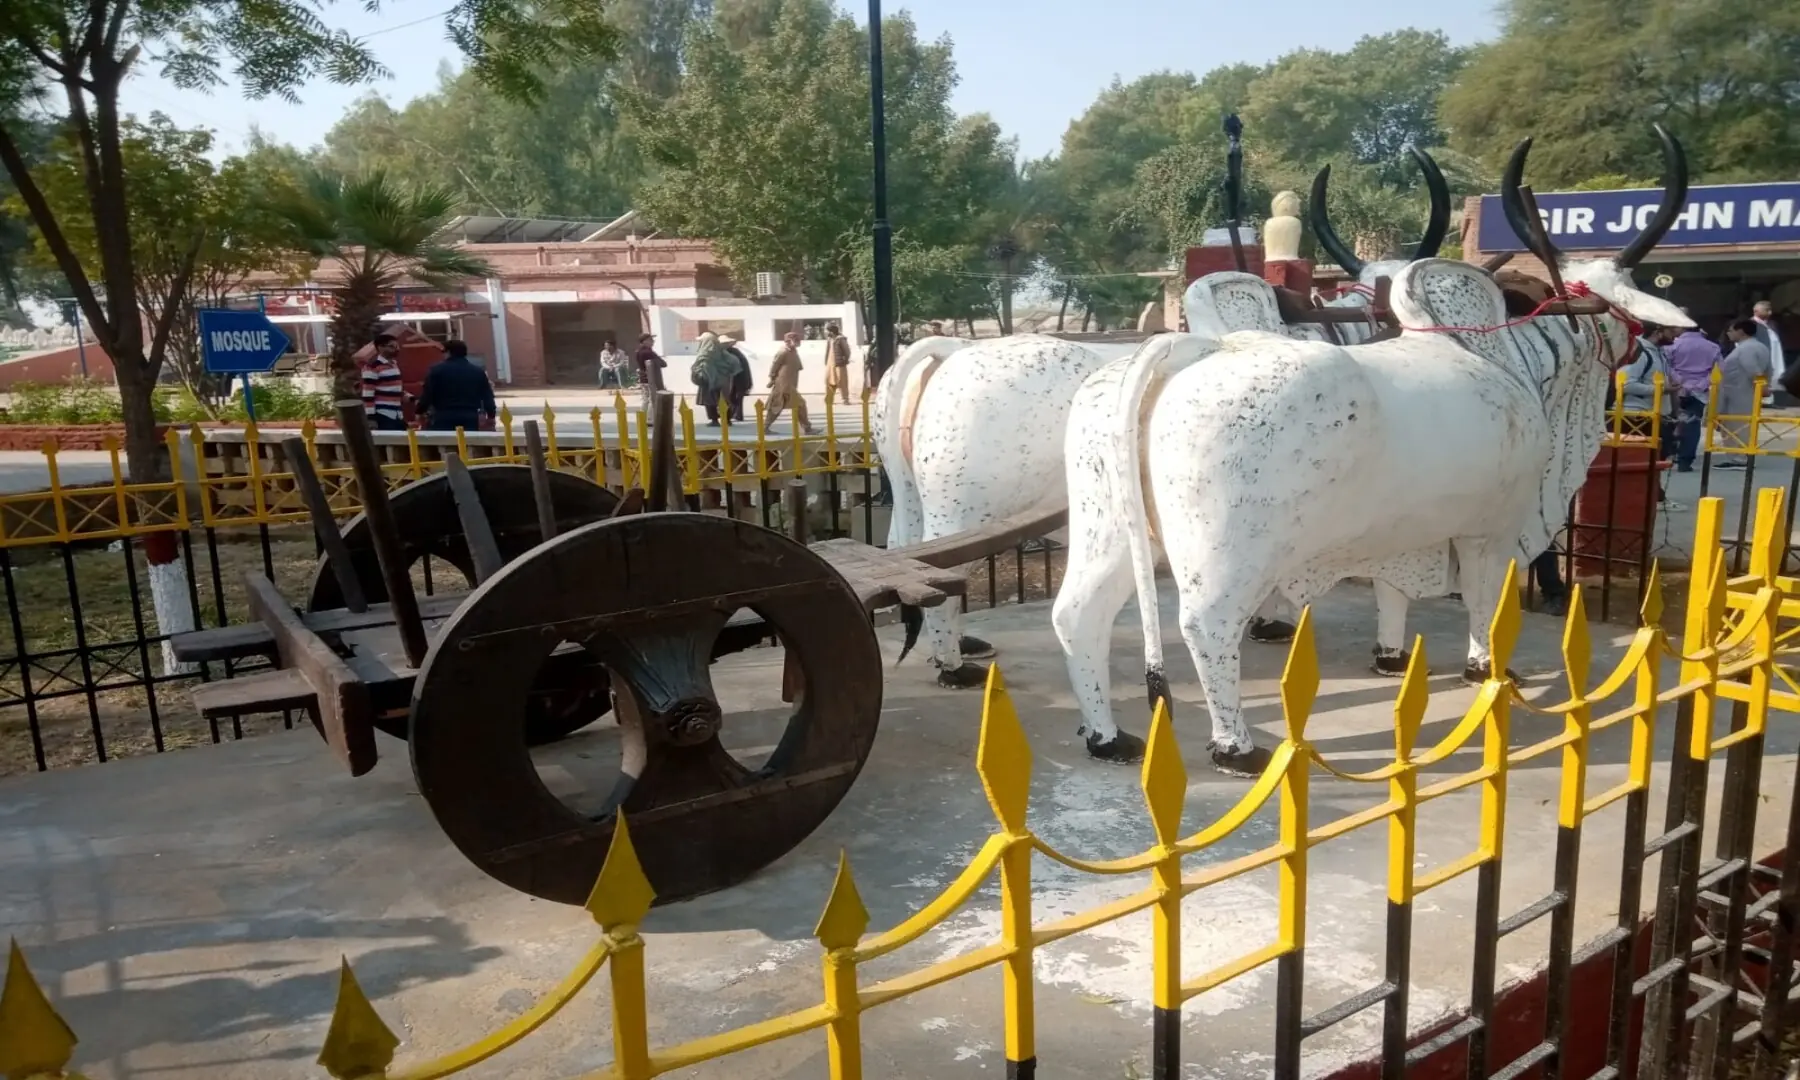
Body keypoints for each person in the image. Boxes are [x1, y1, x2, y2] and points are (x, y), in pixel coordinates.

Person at [1715, 319, 1773, 469]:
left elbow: (1753, 369)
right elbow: (1768, 369)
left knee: (1736, 425)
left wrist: (1762, 386)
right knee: (1741, 425)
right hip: (1744, 392)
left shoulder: (1746, 349)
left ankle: (1738, 458)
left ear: (1741, 331)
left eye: (1731, 330)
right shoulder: (1761, 347)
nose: (1729, 333)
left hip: (1739, 392)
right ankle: (1739, 456)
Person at [1664, 322, 1721, 472]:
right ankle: (1685, 460)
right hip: (1699, 391)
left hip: (1675, 389)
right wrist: (1702, 383)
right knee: (1692, 425)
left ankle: (1666, 455)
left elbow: (1666, 367)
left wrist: (1680, 381)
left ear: (1683, 328)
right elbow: (1719, 370)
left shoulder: (1673, 346)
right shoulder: (1713, 347)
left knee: (1670, 421)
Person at [416, 339, 497, 432]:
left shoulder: (436, 371)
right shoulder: (478, 372)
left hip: (443, 416)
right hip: (470, 416)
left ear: (449, 352)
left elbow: (427, 394)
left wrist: (420, 411)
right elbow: (487, 396)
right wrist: (491, 415)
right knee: (467, 443)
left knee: (446, 444)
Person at [765, 331, 816, 433]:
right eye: (795, 340)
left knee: (778, 406)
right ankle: (807, 428)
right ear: (788, 341)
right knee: (799, 404)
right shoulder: (783, 352)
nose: (798, 342)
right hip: (784, 384)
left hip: (790, 384)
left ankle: (765, 427)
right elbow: (774, 366)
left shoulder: (793, 352)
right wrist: (772, 378)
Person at [360, 333, 409, 431]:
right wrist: (371, 418)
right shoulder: (372, 367)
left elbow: (394, 388)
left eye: (397, 346)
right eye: (392, 346)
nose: (397, 349)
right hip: (382, 414)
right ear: (380, 347)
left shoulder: (394, 365)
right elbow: (368, 394)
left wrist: (411, 398)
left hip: (397, 413)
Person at [1753, 300, 1786, 405]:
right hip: (1759, 358)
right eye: (1767, 310)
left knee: (1771, 379)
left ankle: (1767, 400)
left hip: (1774, 357)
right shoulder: (1750, 325)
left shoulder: (1772, 325)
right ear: (1756, 311)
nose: (1770, 313)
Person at [722, 335, 753, 423]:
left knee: (734, 397)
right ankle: (737, 414)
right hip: (740, 378)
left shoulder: (730, 353)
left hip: (737, 378)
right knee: (736, 397)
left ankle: (736, 414)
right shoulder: (735, 352)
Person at [633, 332, 666, 411]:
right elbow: (663, 364)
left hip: (644, 379)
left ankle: (642, 418)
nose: (653, 342)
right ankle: (650, 419)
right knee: (652, 400)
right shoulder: (648, 352)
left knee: (646, 400)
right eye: (650, 340)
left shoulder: (639, 351)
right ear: (644, 341)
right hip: (651, 380)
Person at [823, 322, 853, 406]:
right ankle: (829, 399)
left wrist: (844, 360)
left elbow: (847, 352)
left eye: (826, 330)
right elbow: (828, 351)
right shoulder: (829, 339)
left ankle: (845, 399)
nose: (825, 332)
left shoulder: (840, 339)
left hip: (839, 364)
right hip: (830, 364)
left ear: (831, 331)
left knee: (842, 382)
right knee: (828, 380)